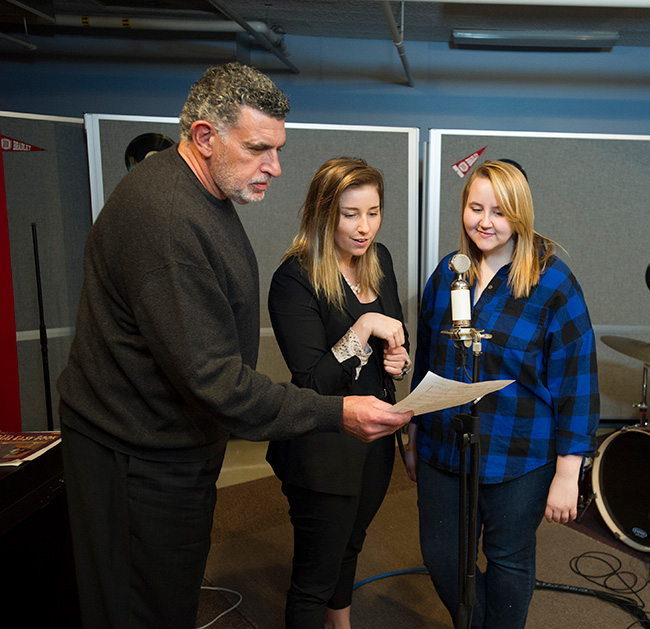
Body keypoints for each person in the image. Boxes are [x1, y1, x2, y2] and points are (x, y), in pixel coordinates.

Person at [56, 63, 412, 629]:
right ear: (204, 137)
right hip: (133, 454)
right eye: (257, 149)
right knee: (142, 606)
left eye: (277, 148)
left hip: (175, 443)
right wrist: (338, 411)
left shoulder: (205, 194)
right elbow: (216, 380)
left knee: (171, 594)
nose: (274, 166)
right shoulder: (167, 216)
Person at [405, 160, 599, 628]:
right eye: (475, 208)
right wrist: (413, 432)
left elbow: (577, 383)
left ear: (521, 215)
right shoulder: (448, 274)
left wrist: (568, 474)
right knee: (441, 557)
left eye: (499, 211)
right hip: (443, 447)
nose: (485, 222)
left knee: (508, 559)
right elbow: (429, 360)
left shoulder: (554, 284)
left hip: (520, 452)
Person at [266, 157, 409, 628]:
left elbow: (393, 342)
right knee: (314, 577)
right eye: (351, 214)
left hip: (374, 440)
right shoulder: (294, 278)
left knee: (351, 545)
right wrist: (364, 326)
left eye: (373, 212)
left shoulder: (379, 258)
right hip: (322, 449)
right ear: (323, 213)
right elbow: (311, 384)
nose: (365, 227)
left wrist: (398, 358)